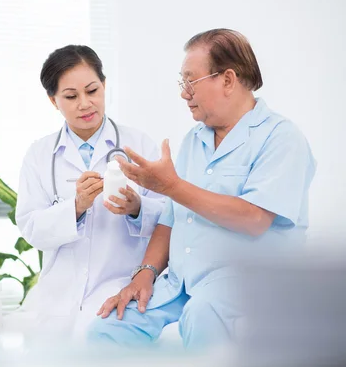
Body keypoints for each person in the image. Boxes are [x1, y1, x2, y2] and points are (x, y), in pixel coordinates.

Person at [87, 29, 316, 350]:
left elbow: (254, 219)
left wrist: (171, 186)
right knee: (108, 328)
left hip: (243, 284)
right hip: (180, 282)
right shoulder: (195, 139)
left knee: (201, 317)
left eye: (190, 81)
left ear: (227, 79)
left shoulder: (281, 138)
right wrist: (145, 273)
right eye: (182, 83)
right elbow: (171, 218)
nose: (184, 93)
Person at [15, 45, 165, 337]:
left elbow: (168, 218)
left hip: (119, 290)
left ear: (104, 86)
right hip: (58, 299)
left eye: (92, 91)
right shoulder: (39, 154)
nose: (85, 103)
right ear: (53, 100)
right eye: (71, 96)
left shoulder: (139, 145)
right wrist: (76, 206)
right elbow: (32, 228)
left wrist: (137, 208)